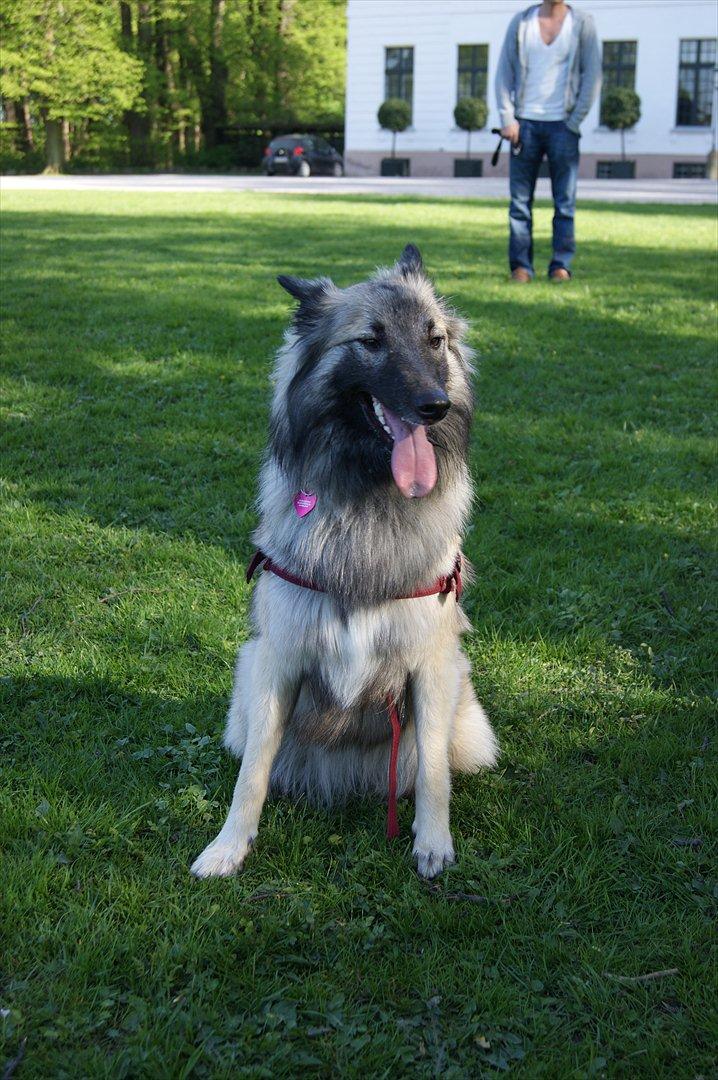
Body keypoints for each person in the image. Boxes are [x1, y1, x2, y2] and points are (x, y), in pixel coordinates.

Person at [495, 1, 601, 281]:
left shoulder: (582, 24)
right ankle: (521, 267)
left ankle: (560, 265)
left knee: (564, 202)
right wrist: (508, 118)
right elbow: (503, 73)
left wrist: (575, 121)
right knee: (519, 204)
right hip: (524, 125)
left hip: (563, 126)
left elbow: (593, 75)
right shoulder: (521, 22)